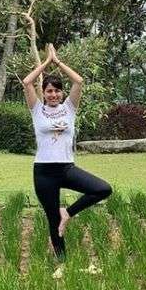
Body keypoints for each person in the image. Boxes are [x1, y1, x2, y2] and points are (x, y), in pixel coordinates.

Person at [22, 43, 112, 257]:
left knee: (102, 189)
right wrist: (45, 62)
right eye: (49, 91)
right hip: (43, 172)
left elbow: (79, 81)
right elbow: (27, 82)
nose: (53, 94)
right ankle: (61, 262)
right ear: (43, 93)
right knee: (53, 220)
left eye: (57, 91)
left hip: (66, 168)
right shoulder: (37, 110)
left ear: (62, 93)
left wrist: (58, 62)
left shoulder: (69, 108)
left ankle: (68, 213)